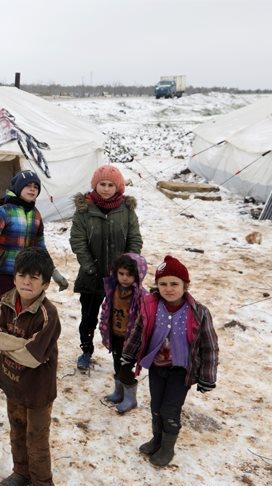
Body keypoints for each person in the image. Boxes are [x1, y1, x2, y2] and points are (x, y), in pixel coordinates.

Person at [121, 255, 219, 467]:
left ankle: (168, 447)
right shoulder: (150, 306)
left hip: (181, 371)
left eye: (174, 283)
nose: (169, 288)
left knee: (170, 410)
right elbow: (138, 332)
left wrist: (207, 377)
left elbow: (209, 346)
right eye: (163, 284)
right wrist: (128, 355)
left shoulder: (199, 312)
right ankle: (157, 439)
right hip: (157, 367)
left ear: (186, 285)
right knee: (156, 406)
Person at [0, 247, 61, 486]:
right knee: (17, 429)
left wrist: (14, 345)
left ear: (45, 283)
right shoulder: (6, 301)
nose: (26, 282)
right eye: (22, 275)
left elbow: (32, 355)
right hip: (12, 382)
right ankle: (21, 472)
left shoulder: (48, 315)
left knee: (36, 436)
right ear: (14, 277)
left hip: (38, 389)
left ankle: (42, 483)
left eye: (34, 277)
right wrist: (18, 345)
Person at [0, 170, 68, 326]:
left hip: (26, 274)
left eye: (36, 186)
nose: (32, 189)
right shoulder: (6, 211)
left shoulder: (37, 215)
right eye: (28, 185)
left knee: (21, 314)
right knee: (5, 313)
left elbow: (40, 248)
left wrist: (53, 272)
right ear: (18, 188)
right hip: (4, 271)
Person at [70, 164, 142, 372]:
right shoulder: (84, 210)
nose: (106, 188)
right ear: (95, 184)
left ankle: (121, 356)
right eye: (102, 184)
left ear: (118, 187)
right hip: (91, 276)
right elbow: (78, 241)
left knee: (119, 317)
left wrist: (127, 267)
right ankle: (86, 350)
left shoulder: (126, 210)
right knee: (89, 316)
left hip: (120, 278)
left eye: (111, 185)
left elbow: (134, 239)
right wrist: (90, 267)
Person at [98, 253, 149, 414]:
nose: (125, 278)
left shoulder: (141, 296)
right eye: (121, 274)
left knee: (126, 369)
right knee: (116, 364)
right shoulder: (113, 290)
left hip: (132, 340)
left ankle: (130, 398)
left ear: (138, 275)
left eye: (129, 275)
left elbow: (145, 319)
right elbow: (106, 310)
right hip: (116, 335)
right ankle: (119, 392)